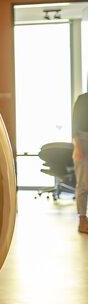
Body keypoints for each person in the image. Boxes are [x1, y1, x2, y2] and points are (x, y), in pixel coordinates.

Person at [73, 91, 88, 233]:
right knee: (83, 183)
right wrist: (77, 146)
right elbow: (75, 125)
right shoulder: (82, 99)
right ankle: (82, 221)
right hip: (83, 141)